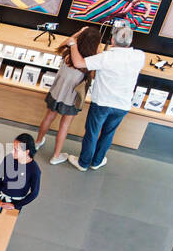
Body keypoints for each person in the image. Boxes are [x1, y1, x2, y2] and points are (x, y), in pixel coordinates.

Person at [69, 22, 144, 172]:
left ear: (112, 40)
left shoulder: (105, 57)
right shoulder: (140, 56)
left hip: (102, 103)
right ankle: (96, 162)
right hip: (122, 105)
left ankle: (83, 163)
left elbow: (78, 62)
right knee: (108, 134)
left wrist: (72, 44)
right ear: (130, 42)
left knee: (92, 133)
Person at [36, 27, 98, 165]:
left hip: (56, 92)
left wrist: (78, 32)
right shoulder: (89, 61)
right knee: (64, 125)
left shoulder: (68, 52)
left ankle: (37, 142)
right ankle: (56, 155)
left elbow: (63, 43)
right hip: (71, 98)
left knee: (49, 117)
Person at [0, 133, 42, 210]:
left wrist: (15, 205)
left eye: (16, 150)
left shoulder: (34, 170)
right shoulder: (8, 159)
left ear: (27, 152)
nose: (12, 152)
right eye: (13, 148)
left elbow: (34, 193)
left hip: (15, 203)